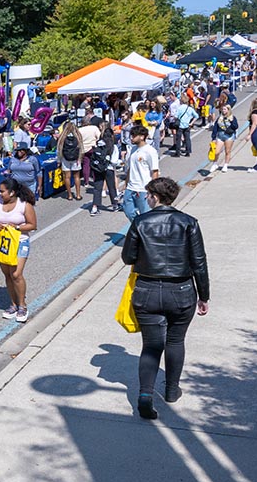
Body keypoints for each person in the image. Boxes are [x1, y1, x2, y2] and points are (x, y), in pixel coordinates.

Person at [121, 177, 210, 420]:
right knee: (175, 340)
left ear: (155, 197)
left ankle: (145, 396)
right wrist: (204, 296)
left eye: (148, 195)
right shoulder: (188, 222)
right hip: (181, 291)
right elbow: (199, 263)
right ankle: (171, 390)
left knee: (151, 345)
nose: (146, 198)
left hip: (147, 290)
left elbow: (127, 257)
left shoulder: (140, 222)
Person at [0, 178, 37, 324]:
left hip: (20, 242)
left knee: (16, 274)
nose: (0, 193)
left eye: (3, 191)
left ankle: (22, 305)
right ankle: (13, 304)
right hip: (4, 243)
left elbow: (32, 225)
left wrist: (16, 227)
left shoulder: (24, 205)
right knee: (8, 274)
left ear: (12, 192)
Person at [89, 123, 119, 217]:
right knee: (111, 187)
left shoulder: (99, 144)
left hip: (98, 168)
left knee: (97, 188)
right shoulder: (113, 146)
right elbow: (114, 161)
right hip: (109, 168)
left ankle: (94, 207)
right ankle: (115, 205)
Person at [56, 120, 84, 201]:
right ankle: (78, 195)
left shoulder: (62, 137)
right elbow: (81, 148)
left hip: (65, 158)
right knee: (76, 176)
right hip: (76, 159)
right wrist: (80, 158)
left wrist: (59, 160)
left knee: (67, 177)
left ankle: (69, 195)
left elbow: (59, 150)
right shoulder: (78, 137)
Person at [210, 104, 238, 172]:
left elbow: (235, 126)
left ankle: (225, 165)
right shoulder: (220, 118)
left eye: (225, 109)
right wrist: (213, 138)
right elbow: (215, 128)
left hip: (229, 136)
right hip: (220, 135)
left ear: (228, 110)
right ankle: (215, 164)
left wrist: (231, 121)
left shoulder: (232, 118)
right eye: (222, 109)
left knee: (227, 151)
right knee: (217, 151)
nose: (223, 111)